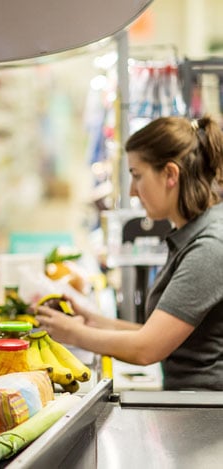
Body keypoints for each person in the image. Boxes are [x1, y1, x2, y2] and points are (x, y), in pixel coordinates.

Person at [36, 115, 223, 391]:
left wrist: (73, 333)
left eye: (137, 175)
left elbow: (147, 349)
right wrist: (93, 321)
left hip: (206, 414)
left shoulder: (208, 247)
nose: (133, 190)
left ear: (171, 174)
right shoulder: (195, 231)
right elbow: (158, 335)